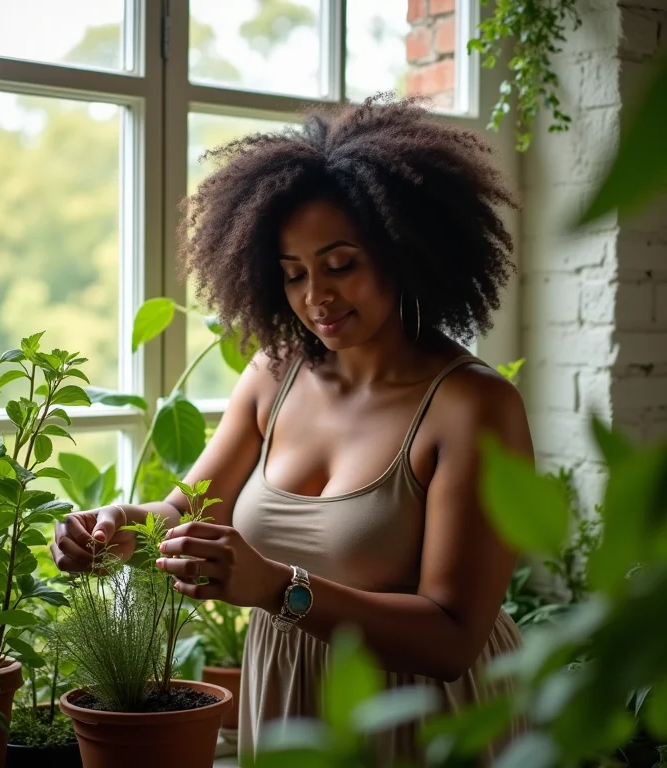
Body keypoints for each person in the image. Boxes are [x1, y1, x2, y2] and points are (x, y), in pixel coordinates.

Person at [51, 94, 533, 764]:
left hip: (423, 719)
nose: (316, 297)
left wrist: (278, 588)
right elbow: (185, 512)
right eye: (293, 275)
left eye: (341, 265)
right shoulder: (273, 375)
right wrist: (117, 529)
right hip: (286, 700)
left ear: (404, 251)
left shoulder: (473, 407)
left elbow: (452, 640)